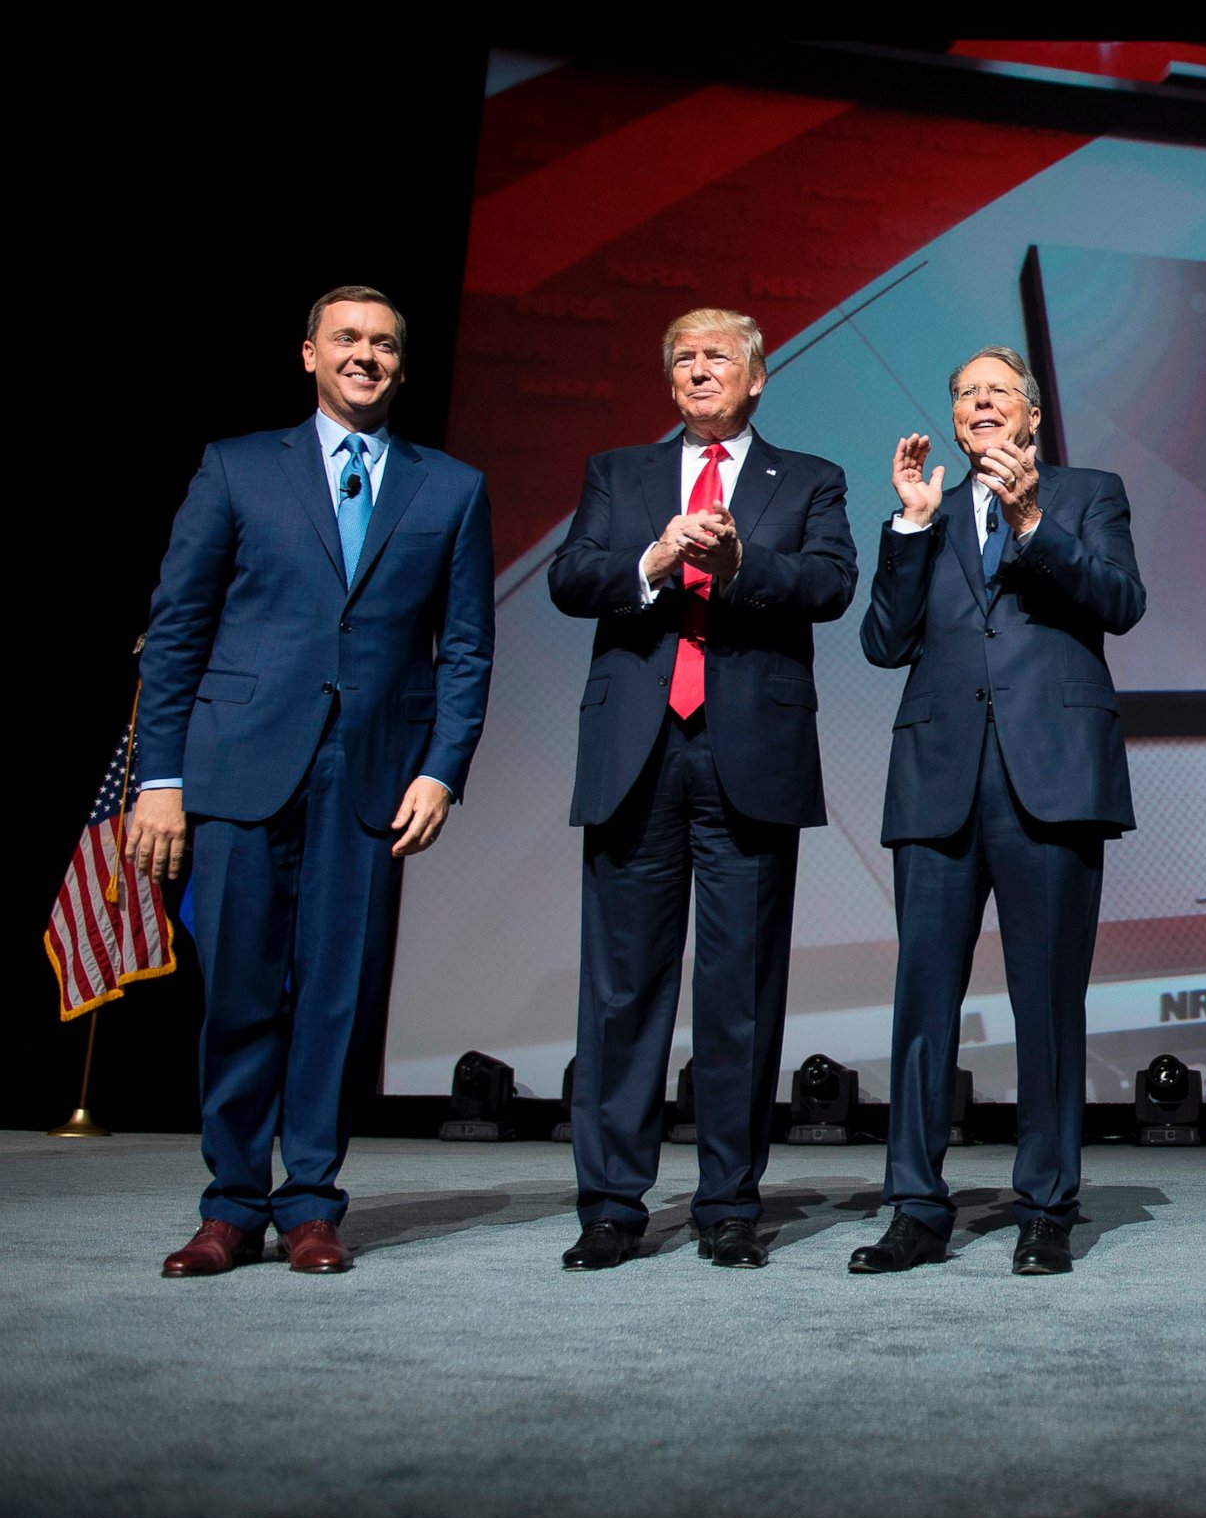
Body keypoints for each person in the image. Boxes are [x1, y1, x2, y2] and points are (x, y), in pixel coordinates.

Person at [135, 286, 496, 1277]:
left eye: (384, 344)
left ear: (403, 366)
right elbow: (175, 635)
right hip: (238, 766)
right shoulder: (238, 467)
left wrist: (442, 771)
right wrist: (158, 778)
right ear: (309, 354)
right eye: (347, 339)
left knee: (334, 996)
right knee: (240, 988)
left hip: (374, 780)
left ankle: (310, 1206)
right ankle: (230, 1203)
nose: (366, 356)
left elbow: (465, 652)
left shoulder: (450, 488)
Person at [547, 308, 856, 1271]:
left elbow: (832, 584)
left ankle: (728, 1202)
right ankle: (610, 1206)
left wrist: (738, 565)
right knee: (622, 990)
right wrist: (653, 560)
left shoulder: (808, 478)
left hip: (748, 755)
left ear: (758, 377)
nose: (697, 369)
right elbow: (569, 576)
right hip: (638, 752)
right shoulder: (620, 473)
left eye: (717, 355)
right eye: (682, 356)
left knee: (740, 997)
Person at [852, 345, 1144, 1277]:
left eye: (995, 393)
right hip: (938, 778)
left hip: (1050, 780)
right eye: (963, 392)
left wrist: (1030, 522)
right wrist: (905, 527)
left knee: (1047, 1004)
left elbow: (1121, 602)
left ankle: (1047, 1207)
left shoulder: (1089, 491)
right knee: (922, 1006)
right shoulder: (926, 517)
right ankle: (915, 1208)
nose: (979, 403)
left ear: (1032, 417)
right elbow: (882, 642)